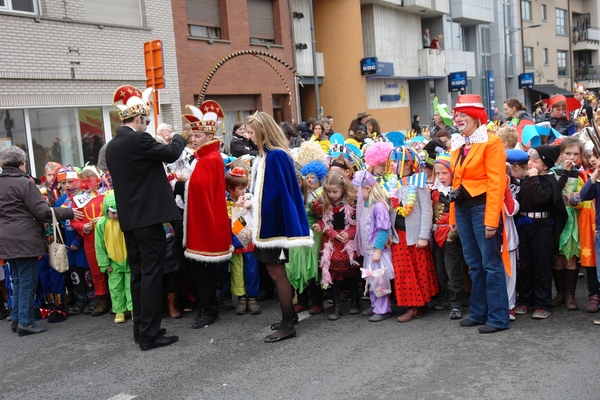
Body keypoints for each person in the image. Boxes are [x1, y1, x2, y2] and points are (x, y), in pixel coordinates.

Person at [106, 85, 185, 351]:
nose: (147, 125)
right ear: (138, 119)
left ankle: (141, 329)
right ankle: (150, 335)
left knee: (139, 275)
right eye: (146, 121)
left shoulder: (113, 145)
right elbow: (172, 153)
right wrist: (178, 137)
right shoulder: (138, 139)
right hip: (149, 218)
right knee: (152, 274)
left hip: (130, 220)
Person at [242, 111, 312, 343]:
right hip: (272, 226)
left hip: (274, 228)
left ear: (262, 132)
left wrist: (252, 202)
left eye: (251, 132)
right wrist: (251, 200)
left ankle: (287, 324)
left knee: (276, 273)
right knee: (277, 272)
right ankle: (289, 317)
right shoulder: (270, 156)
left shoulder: (275, 157)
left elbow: (276, 194)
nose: (249, 136)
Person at [0, 146, 82, 336]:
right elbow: (42, 212)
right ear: (22, 163)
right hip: (24, 238)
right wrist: (69, 212)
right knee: (27, 280)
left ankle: (18, 319)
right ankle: (26, 323)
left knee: (19, 280)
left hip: (6, 238)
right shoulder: (24, 183)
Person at [449, 94, 510, 334]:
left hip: (482, 208)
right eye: (457, 114)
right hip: (463, 209)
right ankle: (479, 312)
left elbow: (497, 183)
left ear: (476, 116)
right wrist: (453, 218)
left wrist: (491, 219)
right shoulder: (459, 144)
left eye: (463, 114)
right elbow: (456, 180)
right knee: (474, 264)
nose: (458, 118)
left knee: (490, 264)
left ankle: (497, 318)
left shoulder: (491, 142)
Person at [179, 102, 232, 328]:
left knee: (202, 270)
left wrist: (180, 186)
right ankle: (207, 306)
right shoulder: (204, 158)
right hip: (200, 221)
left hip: (203, 223)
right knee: (199, 269)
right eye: (193, 135)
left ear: (209, 135)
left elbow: (200, 190)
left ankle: (209, 309)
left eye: (198, 135)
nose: (193, 139)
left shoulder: (210, 159)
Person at [515, 145, 567, 319]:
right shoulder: (526, 179)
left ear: (545, 165)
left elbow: (540, 198)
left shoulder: (548, 181)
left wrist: (534, 179)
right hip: (525, 225)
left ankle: (543, 303)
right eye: (530, 160)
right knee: (526, 265)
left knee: (542, 265)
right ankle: (526, 300)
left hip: (542, 227)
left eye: (535, 161)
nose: (530, 163)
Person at [388, 147, 438, 322]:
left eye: (396, 162)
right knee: (403, 271)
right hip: (398, 235)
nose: (393, 165)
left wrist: (424, 236)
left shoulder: (419, 184)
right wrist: (388, 233)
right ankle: (411, 303)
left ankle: (417, 306)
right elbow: (389, 211)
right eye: (392, 162)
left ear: (408, 165)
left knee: (417, 270)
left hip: (415, 236)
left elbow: (426, 211)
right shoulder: (392, 184)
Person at [311, 171, 360, 320]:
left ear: (343, 188)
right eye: (329, 191)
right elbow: (322, 221)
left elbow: (358, 222)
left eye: (335, 191)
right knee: (334, 275)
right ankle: (336, 306)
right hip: (332, 243)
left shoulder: (352, 203)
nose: (332, 195)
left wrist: (350, 232)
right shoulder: (324, 204)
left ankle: (355, 301)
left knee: (352, 273)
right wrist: (330, 232)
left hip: (348, 242)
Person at [352, 170, 393, 322]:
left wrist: (377, 250)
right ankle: (376, 305)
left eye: (358, 191)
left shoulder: (378, 207)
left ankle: (383, 309)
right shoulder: (365, 205)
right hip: (369, 250)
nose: (356, 195)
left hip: (377, 251)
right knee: (371, 279)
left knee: (379, 279)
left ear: (367, 189)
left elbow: (383, 230)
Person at [550, 137, 586, 311]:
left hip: (573, 219)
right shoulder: (552, 172)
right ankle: (560, 293)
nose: (571, 157)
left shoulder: (582, 174)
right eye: (568, 153)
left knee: (571, 257)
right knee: (557, 259)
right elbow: (554, 192)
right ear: (561, 154)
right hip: (557, 218)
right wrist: (564, 171)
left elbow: (584, 196)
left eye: (575, 154)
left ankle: (570, 295)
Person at [69, 165, 109, 317]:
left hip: (107, 237)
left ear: (97, 181)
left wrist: (104, 218)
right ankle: (102, 299)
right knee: (96, 270)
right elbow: (73, 221)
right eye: (83, 181)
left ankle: (117, 300)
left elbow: (115, 213)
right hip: (90, 238)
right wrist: (83, 227)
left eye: (89, 181)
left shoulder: (106, 196)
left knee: (113, 267)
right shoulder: (77, 200)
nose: (86, 185)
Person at [431, 151, 464, 319]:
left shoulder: (456, 191)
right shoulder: (435, 191)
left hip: (452, 234)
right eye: (438, 173)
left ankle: (456, 303)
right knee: (441, 270)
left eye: (444, 173)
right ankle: (445, 297)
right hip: (437, 233)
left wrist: (453, 234)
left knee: (453, 271)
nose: (441, 176)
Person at [226, 166, 261, 316]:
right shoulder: (226, 203)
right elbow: (232, 224)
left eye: (245, 188)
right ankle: (241, 298)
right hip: (234, 244)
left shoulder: (251, 199)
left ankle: (252, 298)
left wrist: (248, 206)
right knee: (237, 272)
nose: (243, 191)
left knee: (252, 270)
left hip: (249, 243)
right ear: (230, 189)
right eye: (240, 189)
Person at [94, 190, 133, 324]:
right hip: (113, 262)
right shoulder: (102, 224)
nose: (116, 215)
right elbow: (99, 246)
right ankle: (119, 310)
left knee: (130, 286)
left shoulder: (127, 221)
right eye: (113, 212)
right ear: (106, 210)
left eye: (118, 212)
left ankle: (133, 309)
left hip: (128, 260)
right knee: (115, 287)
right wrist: (104, 263)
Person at [579, 146, 600, 324]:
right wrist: (595, 175)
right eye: (591, 157)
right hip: (596, 230)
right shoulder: (594, 180)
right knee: (596, 268)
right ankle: (595, 295)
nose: (593, 160)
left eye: (597, 157)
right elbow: (584, 195)